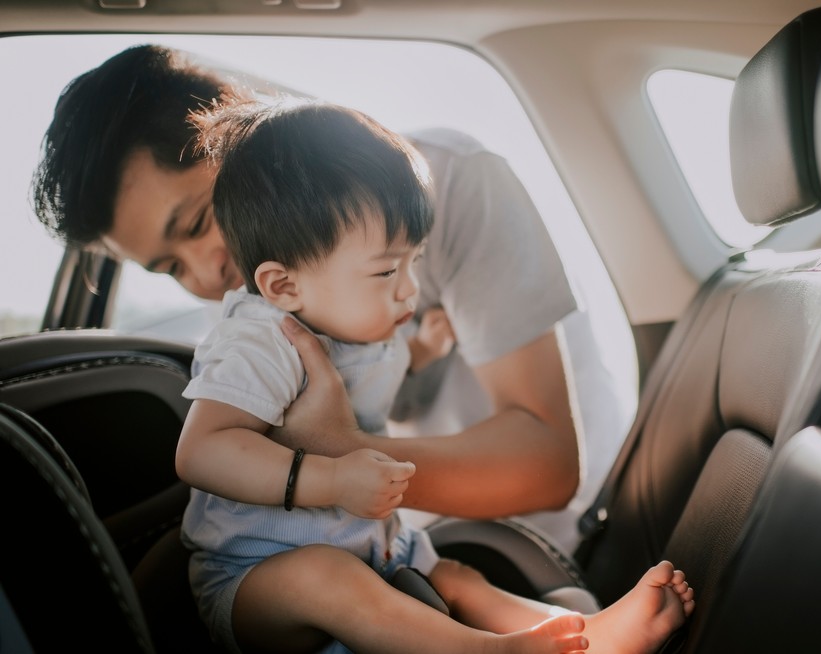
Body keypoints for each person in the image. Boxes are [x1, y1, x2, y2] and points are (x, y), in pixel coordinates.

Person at [30, 43, 624, 555]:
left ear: (241, 136)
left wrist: (341, 455)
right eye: (169, 268)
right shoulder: (261, 292)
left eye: (197, 222)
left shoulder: (455, 180)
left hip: (537, 539)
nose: (207, 274)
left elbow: (547, 466)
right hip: (392, 538)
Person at [175, 97, 694, 653]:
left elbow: (369, 381)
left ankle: (588, 636)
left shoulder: (356, 325)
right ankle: (490, 650)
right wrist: (330, 479)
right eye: (386, 271)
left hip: (373, 550)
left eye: (415, 262)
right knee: (327, 578)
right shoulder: (261, 341)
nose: (411, 289)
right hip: (255, 575)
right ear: (283, 286)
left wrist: (420, 351)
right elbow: (201, 451)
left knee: (457, 578)